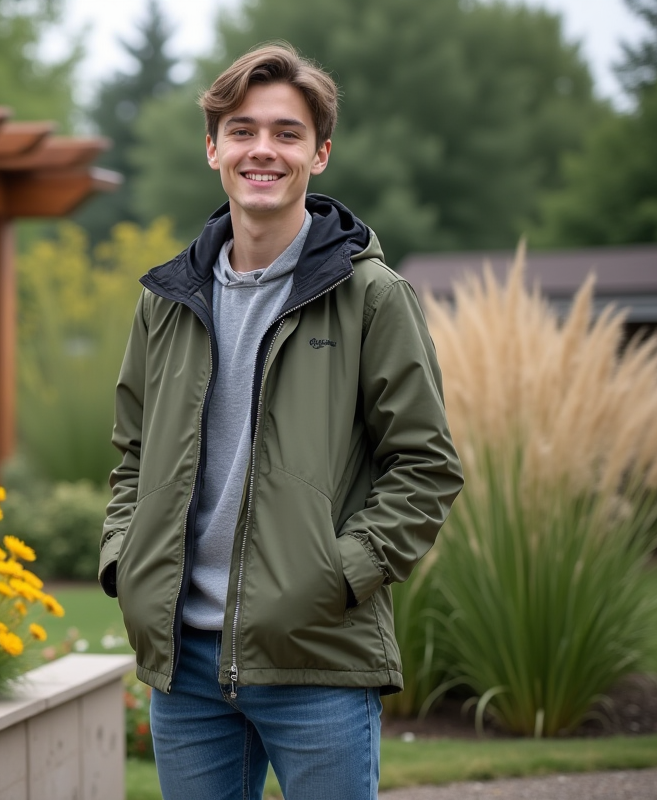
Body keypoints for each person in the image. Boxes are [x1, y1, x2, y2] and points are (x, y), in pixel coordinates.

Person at [98, 43, 464, 800]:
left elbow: (426, 466)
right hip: (185, 669)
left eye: (286, 133)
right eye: (242, 130)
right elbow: (132, 454)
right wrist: (123, 562)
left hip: (317, 660)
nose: (262, 149)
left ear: (319, 154)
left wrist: (338, 576)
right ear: (213, 149)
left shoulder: (371, 296)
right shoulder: (165, 301)